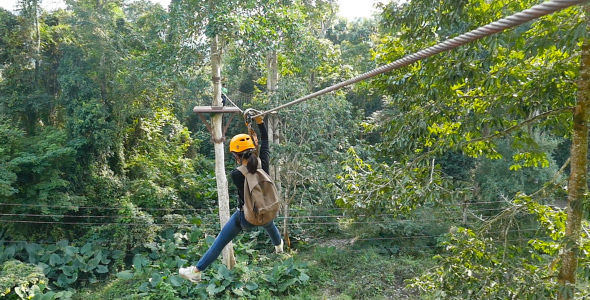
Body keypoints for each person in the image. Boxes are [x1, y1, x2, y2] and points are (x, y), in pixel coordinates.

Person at [179, 113, 283, 283]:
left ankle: (197, 271)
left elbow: (245, 199)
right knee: (269, 224)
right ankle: (278, 246)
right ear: (252, 150)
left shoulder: (236, 174)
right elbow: (265, 140)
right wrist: (259, 122)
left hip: (247, 218)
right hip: (267, 211)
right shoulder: (263, 163)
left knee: (221, 241)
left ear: (236, 155)